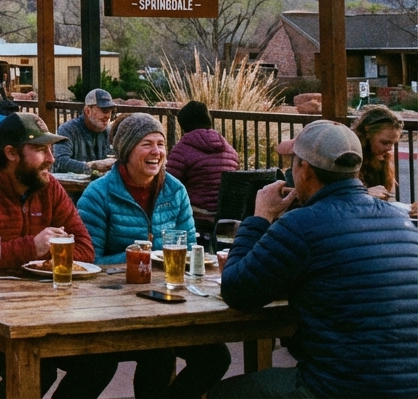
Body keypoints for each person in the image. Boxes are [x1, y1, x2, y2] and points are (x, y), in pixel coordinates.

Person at [213, 120, 418, 399]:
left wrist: (260, 215)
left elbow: (236, 290)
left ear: (304, 169)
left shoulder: (301, 224)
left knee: (225, 394)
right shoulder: (400, 219)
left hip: (341, 389)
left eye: (293, 164)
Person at [0, 112, 117, 398]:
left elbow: (86, 250)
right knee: (34, 369)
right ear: (11, 153)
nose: (51, 158)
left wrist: (50, 254)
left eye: (50, 149)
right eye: (39, 149)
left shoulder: (49, 188)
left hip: (40, 312)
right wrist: (31, 248)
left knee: (100, 360)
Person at [77, 114, 229, 399]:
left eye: (161, 144)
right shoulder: (98, 194)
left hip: (169, 301)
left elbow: (188, 247)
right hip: (115, 306)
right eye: (147, 144)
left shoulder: (175, 190)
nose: (157, 151)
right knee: (158, 352)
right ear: (126, 150)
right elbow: (89, 261)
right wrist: (134, 258)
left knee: (216, 357)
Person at [165, 100, 238, 223]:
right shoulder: (230, 150)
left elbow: (168, 185)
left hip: (196, 212)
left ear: (183, 124)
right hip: (225, 214)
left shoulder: (182, 149)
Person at [53, 88, 116, 174]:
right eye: (104, 110)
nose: (108, 116)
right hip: (69, 186)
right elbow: (60, 161)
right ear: (87, 111)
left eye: (111, 111)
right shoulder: (68, 130)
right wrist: (92, 166)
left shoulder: (109, 132)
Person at [353, 105, 403, 199]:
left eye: (393, 143)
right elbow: (338, 198)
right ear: (367, 134)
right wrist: (365, 194)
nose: (390, 148)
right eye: (385, 143)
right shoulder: (350, 157)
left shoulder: (383, 159)